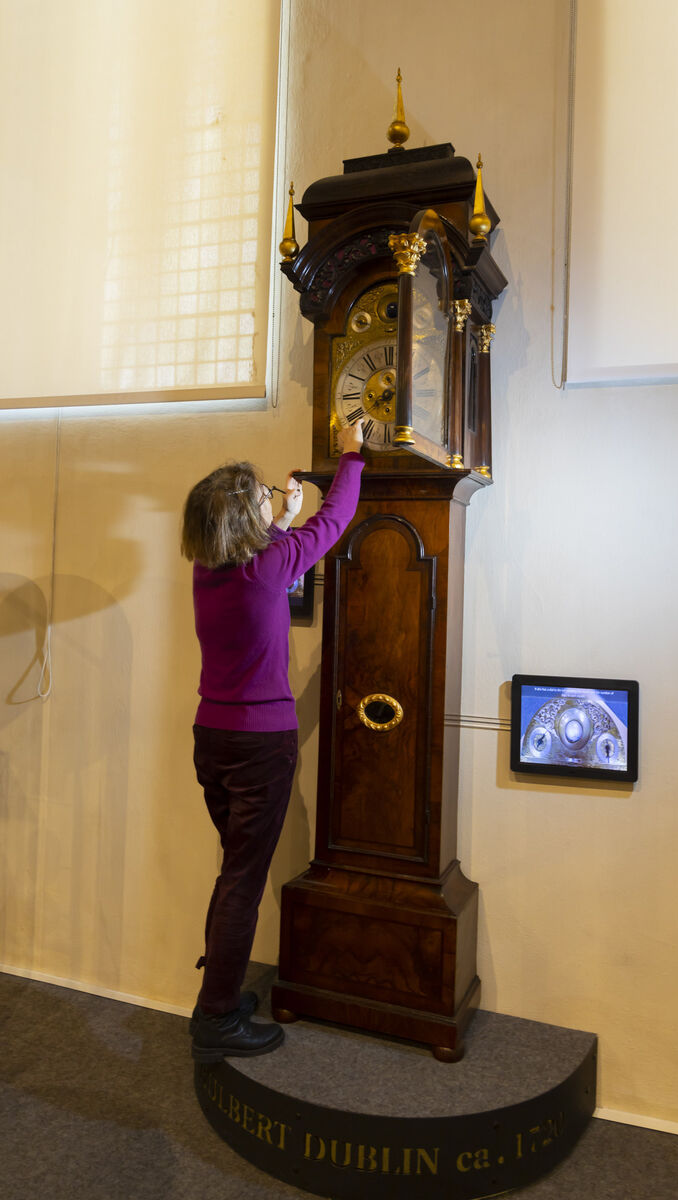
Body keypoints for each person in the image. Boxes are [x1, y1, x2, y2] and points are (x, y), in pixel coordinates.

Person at [180, 420, 365, 1062]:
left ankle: (217, 994)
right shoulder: (267, 568)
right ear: (243, 518)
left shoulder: (210, 571)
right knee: (243, 880)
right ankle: (217, 1018)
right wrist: (351, 455)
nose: (271, 495)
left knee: (234, 869)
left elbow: (269, 556)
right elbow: (333, 520)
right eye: (262, 494)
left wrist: (280, 517)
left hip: (212, 737)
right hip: (260, 746)